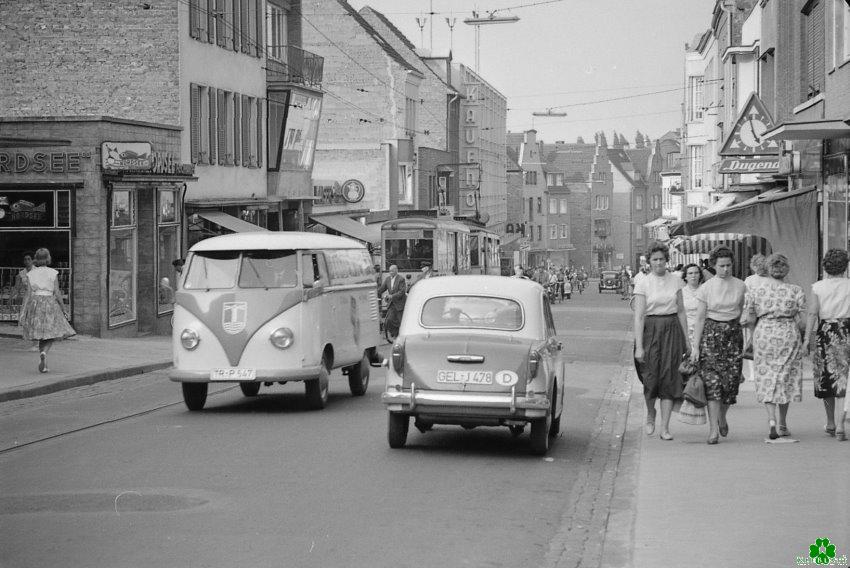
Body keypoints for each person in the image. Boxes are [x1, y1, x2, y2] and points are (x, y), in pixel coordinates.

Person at [741, 253, 806, 441]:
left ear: (767, 269)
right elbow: (802, 321)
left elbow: (750, 318)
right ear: (786, 270)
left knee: (767, 376)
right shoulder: (795, 290)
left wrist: (753, 335)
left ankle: (771, 420)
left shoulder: (756, 290)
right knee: (785, 377)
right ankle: (783, 423)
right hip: (788, 334)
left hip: (765, 334)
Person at [633, 242, 690, 441]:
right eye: (655, 259)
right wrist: (639, 346)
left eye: (662, 259)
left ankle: (665, 427)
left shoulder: (676, 281)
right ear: (649, 262)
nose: (659, 263)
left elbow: (681, 311)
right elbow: (639, 316)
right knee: (650, 378)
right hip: (650, 330)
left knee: (669, 378)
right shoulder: (643, 283)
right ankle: (651, 413)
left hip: (672, 329)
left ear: (667, 260)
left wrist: (688, 341)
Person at [690, 246, 747, 444]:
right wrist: (695, 347)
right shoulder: (706, 288)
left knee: (730, 384)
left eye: (728, 265)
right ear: (714, 266)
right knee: (712, 384)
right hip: (711, 335)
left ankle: (722, 415)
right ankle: (713, 428)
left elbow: (741, 312)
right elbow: (699, 319)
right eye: (721, 266)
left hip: (732, 335)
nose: (725, 269)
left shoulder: (741, 286)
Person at [804, 249, 850, 441]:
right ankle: (841, 423)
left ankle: (831, 422)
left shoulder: (818, 287)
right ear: (846, 266)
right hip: (847, 331)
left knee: (827, 378)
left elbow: (812, 314)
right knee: (844, 378)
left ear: (825, 266)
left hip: (826, 332)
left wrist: (807, 339)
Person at [19, 248, 76, 373]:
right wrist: (63, 307)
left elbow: (28, 294)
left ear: (36, 259)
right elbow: (57, 291)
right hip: (49, 302)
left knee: (40, 334)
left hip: (35, 302)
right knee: (52, 332)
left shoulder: (30, 274)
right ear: (48, 258)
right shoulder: (53, 272)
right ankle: (45, 353)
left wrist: (23, 312)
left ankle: (43, 362)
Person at [377, 264, 406, 341]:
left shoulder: (401, 279)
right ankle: (396, 333)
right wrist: (374, 292)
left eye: (392, 271)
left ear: (396, 270)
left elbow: (402, 292)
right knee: (389, 320)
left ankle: (402, 336)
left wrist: (392, 296)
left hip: (400, 304)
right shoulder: (387, 279)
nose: (390, 272)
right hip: (392, 304)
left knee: (401, 321)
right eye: (389, 271)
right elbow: (381, 289)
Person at [680, 263, 705, 344]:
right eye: (690, 273)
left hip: (703, 329)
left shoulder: (706, 290)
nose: (693, 275)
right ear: (685, 276)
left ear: (700, 275)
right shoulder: (681, 293)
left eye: (696, 273)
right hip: (686, 330)